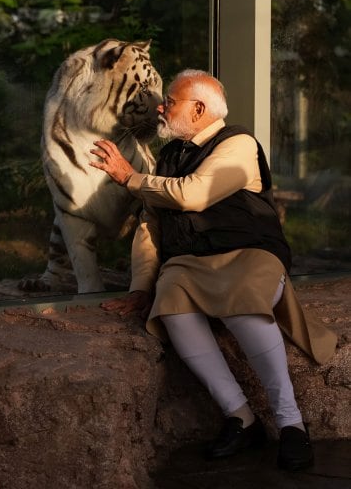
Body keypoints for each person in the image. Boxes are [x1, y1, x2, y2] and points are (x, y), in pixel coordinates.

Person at [89, 69, 337, 471]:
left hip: (250, 255)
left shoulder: (237, 143)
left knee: (242, 301)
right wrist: (140, 288)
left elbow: (194, 195)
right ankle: (241, 416)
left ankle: (292, 423)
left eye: (170, 100)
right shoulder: (169, 156)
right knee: (169, 304)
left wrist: (129, 177)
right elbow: (151, 224)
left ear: (199, 108)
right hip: (189, 264)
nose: (160, 107)